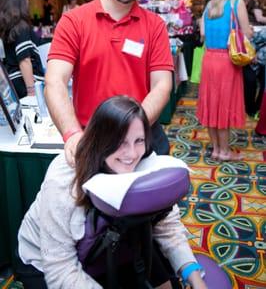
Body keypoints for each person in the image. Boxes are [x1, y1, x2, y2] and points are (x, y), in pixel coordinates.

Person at [16, 95, 206, 289]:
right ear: (101, 140)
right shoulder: (65, 177)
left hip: (111, 240)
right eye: (121, 142)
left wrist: (193, 275)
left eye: (138, 140)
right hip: (45, 261)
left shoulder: (146, 161)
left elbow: (167, 226)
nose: (131, 154)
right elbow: (59, 266)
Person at [45, 0, 174, 166]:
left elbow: (162, 85)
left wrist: (131, 130)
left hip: (142, 139)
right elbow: (55, 81)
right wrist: (72, 134)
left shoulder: (155, 25)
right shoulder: (73, 21)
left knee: (153, 201)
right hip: (91, 139)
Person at [196, 0, 253, 161]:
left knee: (212, 104)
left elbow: (203, 34)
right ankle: (225, 151)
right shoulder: (237, 4)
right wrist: (249, 31)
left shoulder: (209, 6)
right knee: (224, 106)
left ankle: (216, 150)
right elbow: (246, 34)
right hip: (227, 61)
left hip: (209, 59)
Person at [0, 0, 44, 98]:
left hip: (15, 83)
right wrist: (31, 91)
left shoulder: (8, 27)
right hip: (26, 84)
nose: (28, 0)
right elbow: (24, 60)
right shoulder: (21, 26)